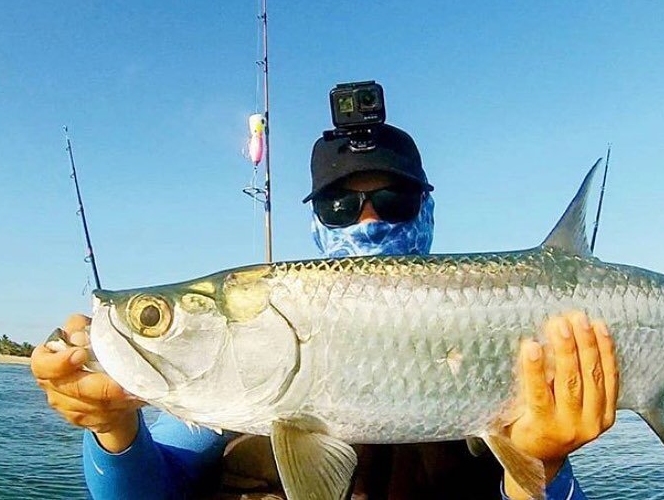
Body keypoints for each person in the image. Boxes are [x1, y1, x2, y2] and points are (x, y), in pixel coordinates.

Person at [31, 123, 617, 500]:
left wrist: (542, 465)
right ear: (317, 222)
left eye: (393, 199)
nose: (370, 220)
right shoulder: (225, 391)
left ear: (426, 209)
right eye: (340, 205)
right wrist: (112, 427)